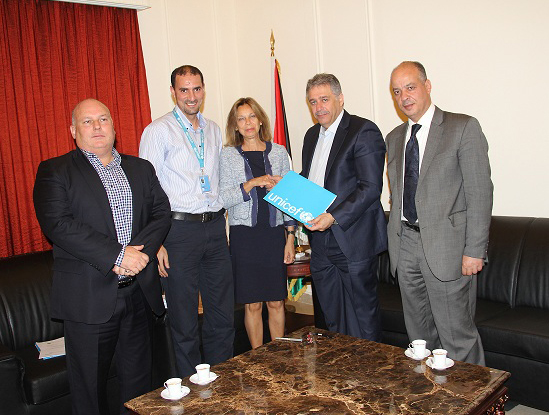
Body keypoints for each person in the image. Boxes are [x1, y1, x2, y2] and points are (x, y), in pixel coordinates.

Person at [33, 99, 171, 415]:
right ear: (73, 130)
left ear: (113, 126)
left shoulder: (141, 168)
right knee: (89, 391)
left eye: (103, 119)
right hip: (88, 299)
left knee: (139, 387)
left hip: (138, 294)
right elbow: (59, 225)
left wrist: (139, 255)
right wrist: (118, 255)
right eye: (87, 121)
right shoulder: (55, 171)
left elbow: (161, 213)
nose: (97, 126)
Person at [386, 61, 493, 365]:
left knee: (457, 338)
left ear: (427, 85)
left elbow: (480, 193)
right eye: (397, 91)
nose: (404, 96)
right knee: (419, 340)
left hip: (448, 248)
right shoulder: (394, 138)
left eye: (410, 87)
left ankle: (474, 395)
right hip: (405, 246)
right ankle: (429, 393)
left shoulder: (462, 127)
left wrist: (475, 250)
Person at [139, 65, 234, 377]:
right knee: (184, 319)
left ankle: (221, 382)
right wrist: (156, 243)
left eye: (196, 89)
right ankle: (192, 390)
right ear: (173, 92)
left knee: (222, 315)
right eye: (184, 90)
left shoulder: (214, 130)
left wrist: (222, 226)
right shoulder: (158, 131)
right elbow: (146, 191)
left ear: (203, 89)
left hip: (214, 228)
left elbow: (216, 181)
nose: (191, 96)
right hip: (177, 232)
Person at [300, 73, 387, 341]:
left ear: (340, 98)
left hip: (353, 239)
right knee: (332, 317)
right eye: (313, 102)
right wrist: (287, 186)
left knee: (363, 317)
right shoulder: (311, 135)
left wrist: (333, 217)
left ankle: (370, 367)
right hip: (320, 242)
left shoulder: (363, 131)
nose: (319, 107)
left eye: (324, 99)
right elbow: (312, 180)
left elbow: (370, 188)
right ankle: (342, 367)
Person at [220, 97, 296, 348]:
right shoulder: (228, 156)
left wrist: (290, 238)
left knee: (276, 301)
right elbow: (223, 198)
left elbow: (290, 200)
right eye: (241, 119)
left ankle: (279, 354)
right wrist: (252, 183)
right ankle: (258, 358)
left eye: (252, 116)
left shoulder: (279, 152)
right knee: (252, 304)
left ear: (261, 120)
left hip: (274, 235)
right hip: (244, 237)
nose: (248, 123)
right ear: (235, 125)